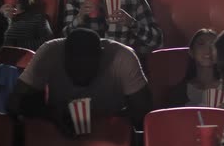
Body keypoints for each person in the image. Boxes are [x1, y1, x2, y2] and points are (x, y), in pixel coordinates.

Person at [8, 28, 153, 132]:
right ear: (64, 57)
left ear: (100, 58)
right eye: (75, 68)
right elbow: (15, 103)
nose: (81, 74)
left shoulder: (123, 57)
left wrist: (102, 122)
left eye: (88, 68)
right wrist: (52, 114)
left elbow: (143, 111)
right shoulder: (49, 52)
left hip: (109, 130)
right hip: (56, 130)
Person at [169, 29, 224, 106]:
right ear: (191, 52)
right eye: (201, 44)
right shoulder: (179, 92)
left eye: (213, 45)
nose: (207, 49)